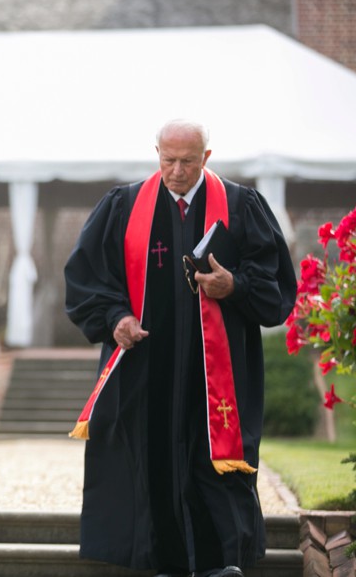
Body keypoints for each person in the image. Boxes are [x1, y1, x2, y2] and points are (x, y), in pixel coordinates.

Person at [64, 119, 297, 577]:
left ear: (206, 157)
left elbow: (275, 289)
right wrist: (117, 319)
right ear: (156, 153)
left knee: (215, 461)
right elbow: (87, 281)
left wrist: (236, 285)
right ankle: (158, 561)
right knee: (149, 460)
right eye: (167, 160)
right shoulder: (124, 205)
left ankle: (222, 562)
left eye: (187, 161)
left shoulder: (241, 205)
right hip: (145, 369)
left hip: (218, 372)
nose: (176, 171)